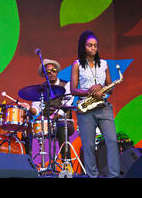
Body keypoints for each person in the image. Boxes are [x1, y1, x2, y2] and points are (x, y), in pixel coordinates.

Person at [70, 30, 120, 178]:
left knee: (111, 141)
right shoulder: (77, 64)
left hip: (104, 107)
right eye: (89, 45)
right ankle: (92, 175)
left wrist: (103, 89)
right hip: (86, 109)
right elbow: (73, 89)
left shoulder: (104, 64)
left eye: (95, 46)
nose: (93, 48)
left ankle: (114, 175)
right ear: (83, 46)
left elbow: (111, 86)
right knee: (89, 146)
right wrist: (90, 92)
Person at [24, 59, 75, 163]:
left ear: (57, 71)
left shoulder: (66, 85)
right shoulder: (40, 89)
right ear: (44, 75)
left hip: (63, 121)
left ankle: (66, 163)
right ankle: (29, 164)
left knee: (61, 126)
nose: (52, 73)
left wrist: (56, 116)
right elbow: (36, 109)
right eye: (48, 72)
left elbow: (67, 104)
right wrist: (29, 108)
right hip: (46, 123)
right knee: (27, 129)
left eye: (54, 70)